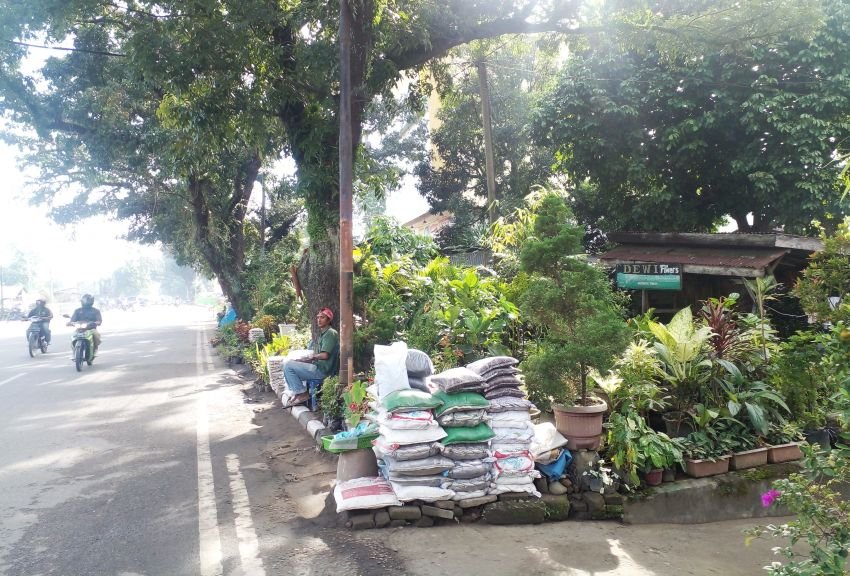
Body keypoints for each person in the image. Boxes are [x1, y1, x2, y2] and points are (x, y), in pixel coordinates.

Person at [282, 307, 339, 408]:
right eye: (318, 317)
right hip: (318, 367)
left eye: (322, 317)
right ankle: (298, 393)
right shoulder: (324, 334)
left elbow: (325, 355)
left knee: (288, 366)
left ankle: (302, 393)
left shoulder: (330, 333)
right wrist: (303, 360)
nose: (319, 320)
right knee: (289, 363)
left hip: (322, 371)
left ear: (329, 320)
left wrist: (311, 358)